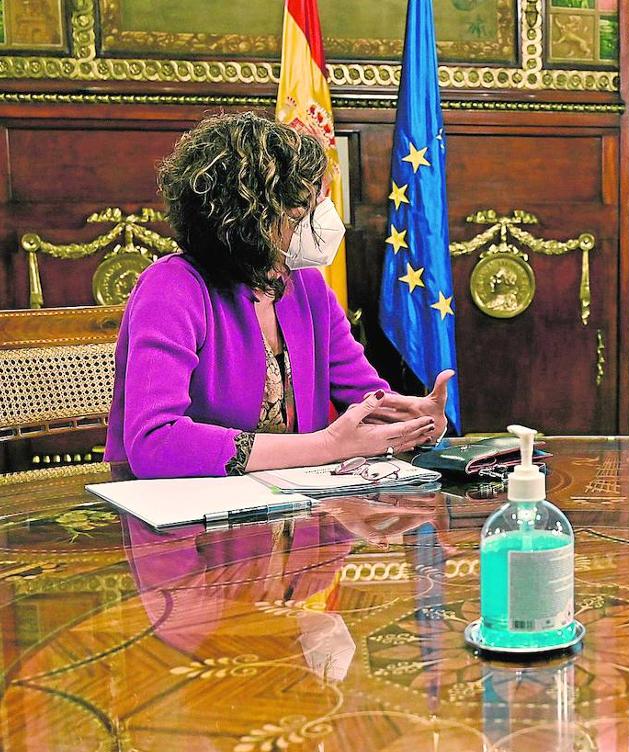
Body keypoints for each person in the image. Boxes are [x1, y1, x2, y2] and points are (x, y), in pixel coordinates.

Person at [105, 112, 453, 478]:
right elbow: (154, 443)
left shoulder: (307, 287)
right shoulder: (171, 288)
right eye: (307, 204)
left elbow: (367, 401)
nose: (323, 217)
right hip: (180, 519)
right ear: (251, 215)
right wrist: (326, 446)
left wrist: (417, 422)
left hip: (291, 512)